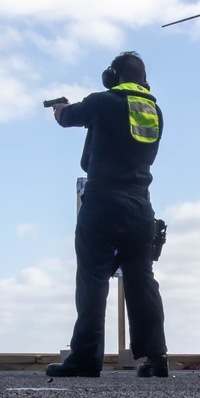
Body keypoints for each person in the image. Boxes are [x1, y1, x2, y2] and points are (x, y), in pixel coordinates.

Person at [46, 51, 168, 378]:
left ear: (113, 76)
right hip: (141, 205)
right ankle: (156, 358)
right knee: (141, 280)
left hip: (103, 200)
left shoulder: (103, 101)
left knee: (93, 278)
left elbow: (68, 117)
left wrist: (61, 110)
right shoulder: (154, 111)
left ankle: (86, 358)